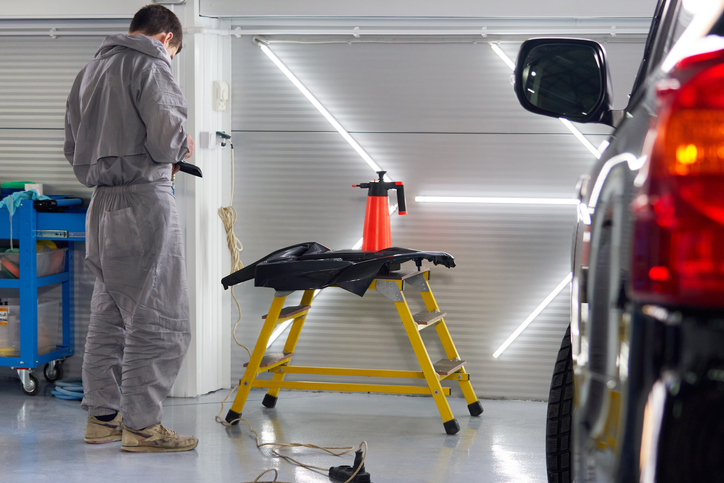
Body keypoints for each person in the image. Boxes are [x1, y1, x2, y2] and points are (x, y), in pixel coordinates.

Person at [64, 4, 197, 453]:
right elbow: (166, 139)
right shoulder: (151, 64)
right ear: (165, 39)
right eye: (174, 52)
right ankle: (143, 427)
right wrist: (182, 144)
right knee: (160, 317)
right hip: (144, 200)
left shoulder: (89, 72)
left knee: (109, 312)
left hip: (101, 204)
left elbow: (72, 145)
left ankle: (103, 418)